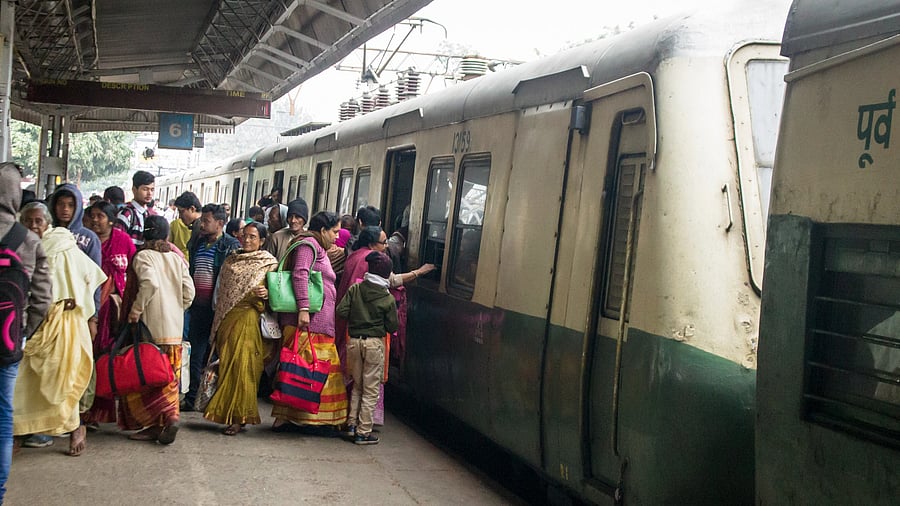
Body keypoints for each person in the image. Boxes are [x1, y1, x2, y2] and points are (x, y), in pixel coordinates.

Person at [14, 201, 106, 457]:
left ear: (47, 223)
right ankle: (20, 432)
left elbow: (92, 278)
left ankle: (76, 427)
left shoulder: (65, 243)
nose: (34, 227)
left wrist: (91, 317)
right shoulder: (21, 248)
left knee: (66, 380)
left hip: (67, 320)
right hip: (35, 322)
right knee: (26, 381)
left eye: (38, 222)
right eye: (28, 222)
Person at [0, 163, 51, 502]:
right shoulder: (29, 240)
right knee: (4, 416)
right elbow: (42, 301)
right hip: (7, 341)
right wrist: (21, 333)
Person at [120, 216, 194, 444]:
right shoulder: (175, 258)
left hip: (150, 328)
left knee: (148, 376)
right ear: (166, 236)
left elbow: (149, 283)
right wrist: (177, 306)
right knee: (169, 376)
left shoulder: (143, 256)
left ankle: (155, 423)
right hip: (173, 328)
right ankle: (170, 416)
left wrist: (136, 310)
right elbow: (189, 291)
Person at [271, 211, 347, 432]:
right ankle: (304, 419)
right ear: (322, 230)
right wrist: (304, 308)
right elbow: (300, 274)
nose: (336, 237)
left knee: (305, 367)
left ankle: (294, 417)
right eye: (334, 232)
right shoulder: (308, 245)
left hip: (316, 322)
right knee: (306, 367)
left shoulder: (315, 246)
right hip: (308, 322)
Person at [204, 222, 276, 435]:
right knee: (227, 366)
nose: (247, 240)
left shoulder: (268, 263)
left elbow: (277, 295)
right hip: (227, 321)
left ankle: (239, 417)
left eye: (253, 237)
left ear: (262, 241)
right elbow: (222, 294)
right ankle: (227, 413)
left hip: (250, 321)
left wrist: (267, 294)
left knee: (244, 368)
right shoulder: (230, 261)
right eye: (244, 236)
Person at [336, 251, 398, 445]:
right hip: (374, 345)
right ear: (386, 274)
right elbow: (392, 327)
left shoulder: (355, 289)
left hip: (353, 342)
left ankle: (352, 424)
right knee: (371, 390)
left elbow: (341, 310)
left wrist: (356, 318)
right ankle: (363, 432)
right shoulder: (387, 299)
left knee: (357, 385)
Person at [83, 200, 136, 425]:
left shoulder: (123, 241)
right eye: (92, 216)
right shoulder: (83, 240)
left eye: (101, 216)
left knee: (107, 357)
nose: (96, 220)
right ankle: (83, 411)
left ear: (112, 221)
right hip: (86, 307)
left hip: (113, 311)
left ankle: (100, 412)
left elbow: (134, 271)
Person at [183, 204, 240, 410]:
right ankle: (191, 398)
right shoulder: (197, 242)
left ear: (220, 223)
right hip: (197, 307)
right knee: (196, 354)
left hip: (217, 309)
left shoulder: (230, 245)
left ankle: (214, 401)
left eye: (206, 221)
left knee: (217, 355)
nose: (202, 225)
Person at [115, 170, 157, 246]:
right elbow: (117, 241)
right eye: (145, 189)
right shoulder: (126, 214)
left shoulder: (148, 214)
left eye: (152, 189)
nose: (149, 193)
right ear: (134, 190)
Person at [171, 191, 202, 262]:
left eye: (181, 212)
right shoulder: (195, 225)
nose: (180, 216)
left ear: (192, 209)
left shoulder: (201, 227)